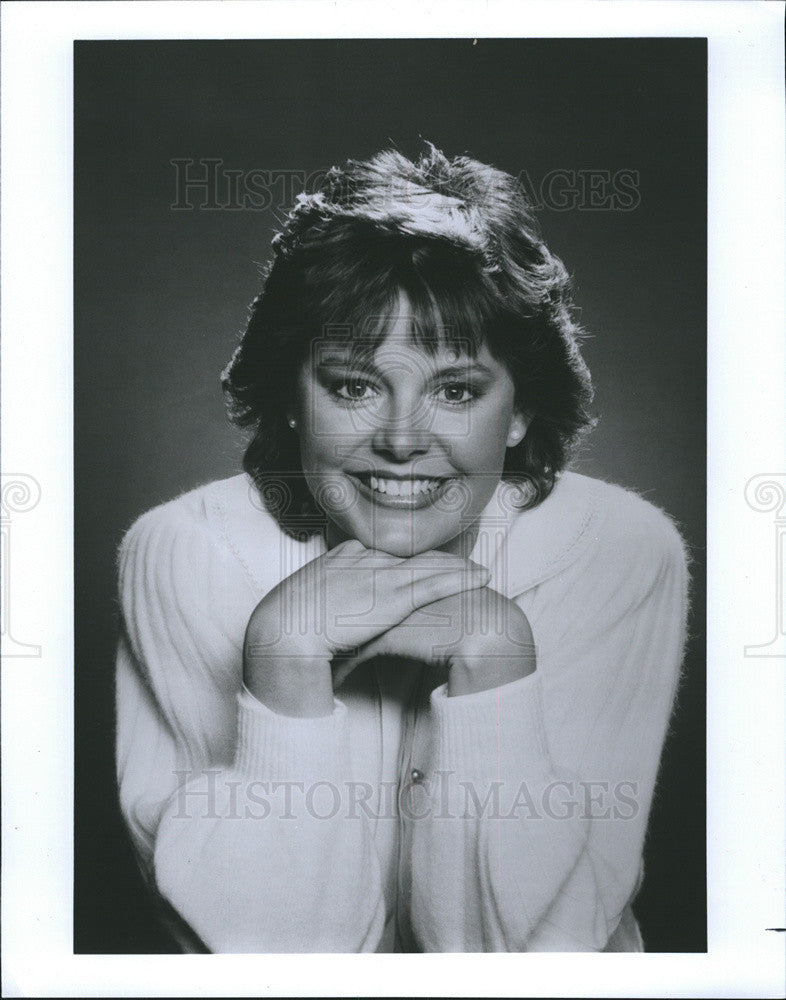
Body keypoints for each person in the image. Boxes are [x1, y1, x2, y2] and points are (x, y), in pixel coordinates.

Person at [115, 143, 690, 952]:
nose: (398, 439)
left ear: (520, 409)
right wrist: (282, 661)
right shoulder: (186, 553)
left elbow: (525, 963)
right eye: (353, 385)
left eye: (455, 391)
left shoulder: (617, 553)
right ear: (291, 394)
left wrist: (496, 655)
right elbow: (278, 963)